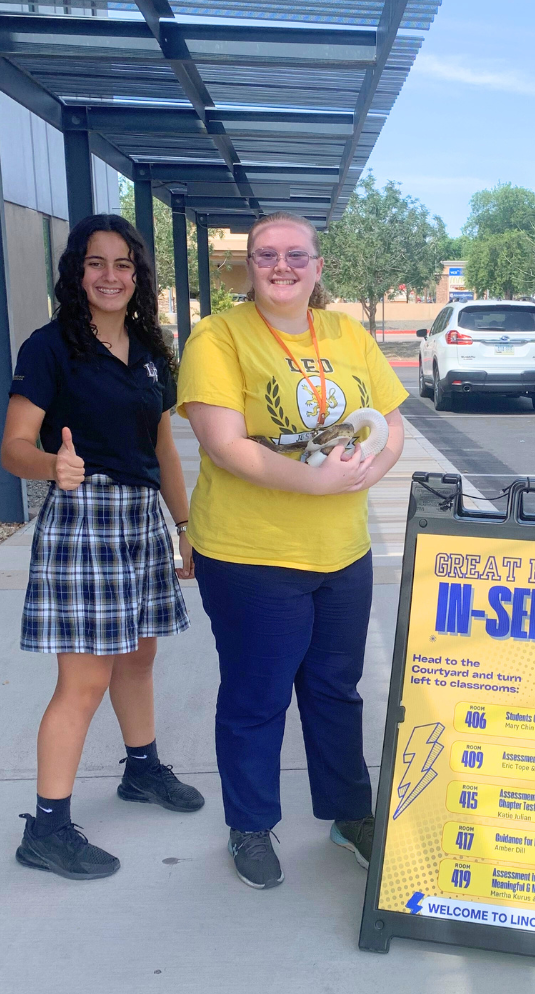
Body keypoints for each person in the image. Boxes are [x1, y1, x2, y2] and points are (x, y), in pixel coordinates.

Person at [176, 211, 407, 890]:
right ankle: (250, 823)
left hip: (341, 551)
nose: (282, 267)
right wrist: (317, 479)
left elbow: (390, 424)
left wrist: (372, 469)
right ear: (248, 265)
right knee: (258, 694)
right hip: (252, 555)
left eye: (295, 256)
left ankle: (347, 814)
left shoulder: (348, 333)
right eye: (267, 255)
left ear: (318, 266)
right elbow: (224, 443)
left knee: (336, 689)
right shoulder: (217, 337)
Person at [2, 214, 203, 881]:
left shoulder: (152, 348)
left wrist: (184, 524)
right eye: (97, 263)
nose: (111, 276)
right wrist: (49, 468)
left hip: (143, 517)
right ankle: (48, 829)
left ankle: (140, 771)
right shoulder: (49, 347)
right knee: (83, 680)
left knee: (139, 658)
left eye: (123, 264)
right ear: (76, 272)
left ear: (138, 276)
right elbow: (14, 448)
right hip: (84, 518)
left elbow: (162, 446)